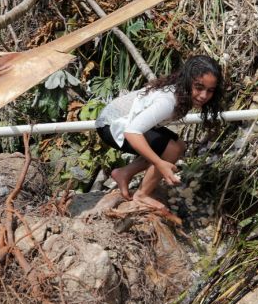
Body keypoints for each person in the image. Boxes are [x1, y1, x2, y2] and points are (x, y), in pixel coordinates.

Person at [95, 55, 224, 210]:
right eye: (199, 87)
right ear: (187, 81)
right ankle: (142, 194)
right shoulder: (168, 101)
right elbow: (132, 132)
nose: (203, 96)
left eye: (210, 91)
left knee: (179, 145)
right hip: (112, 124)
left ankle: (124, 173)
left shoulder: (181, 93)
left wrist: (159, 160)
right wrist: (159, 163)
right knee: (172, 149)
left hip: (122, 121)